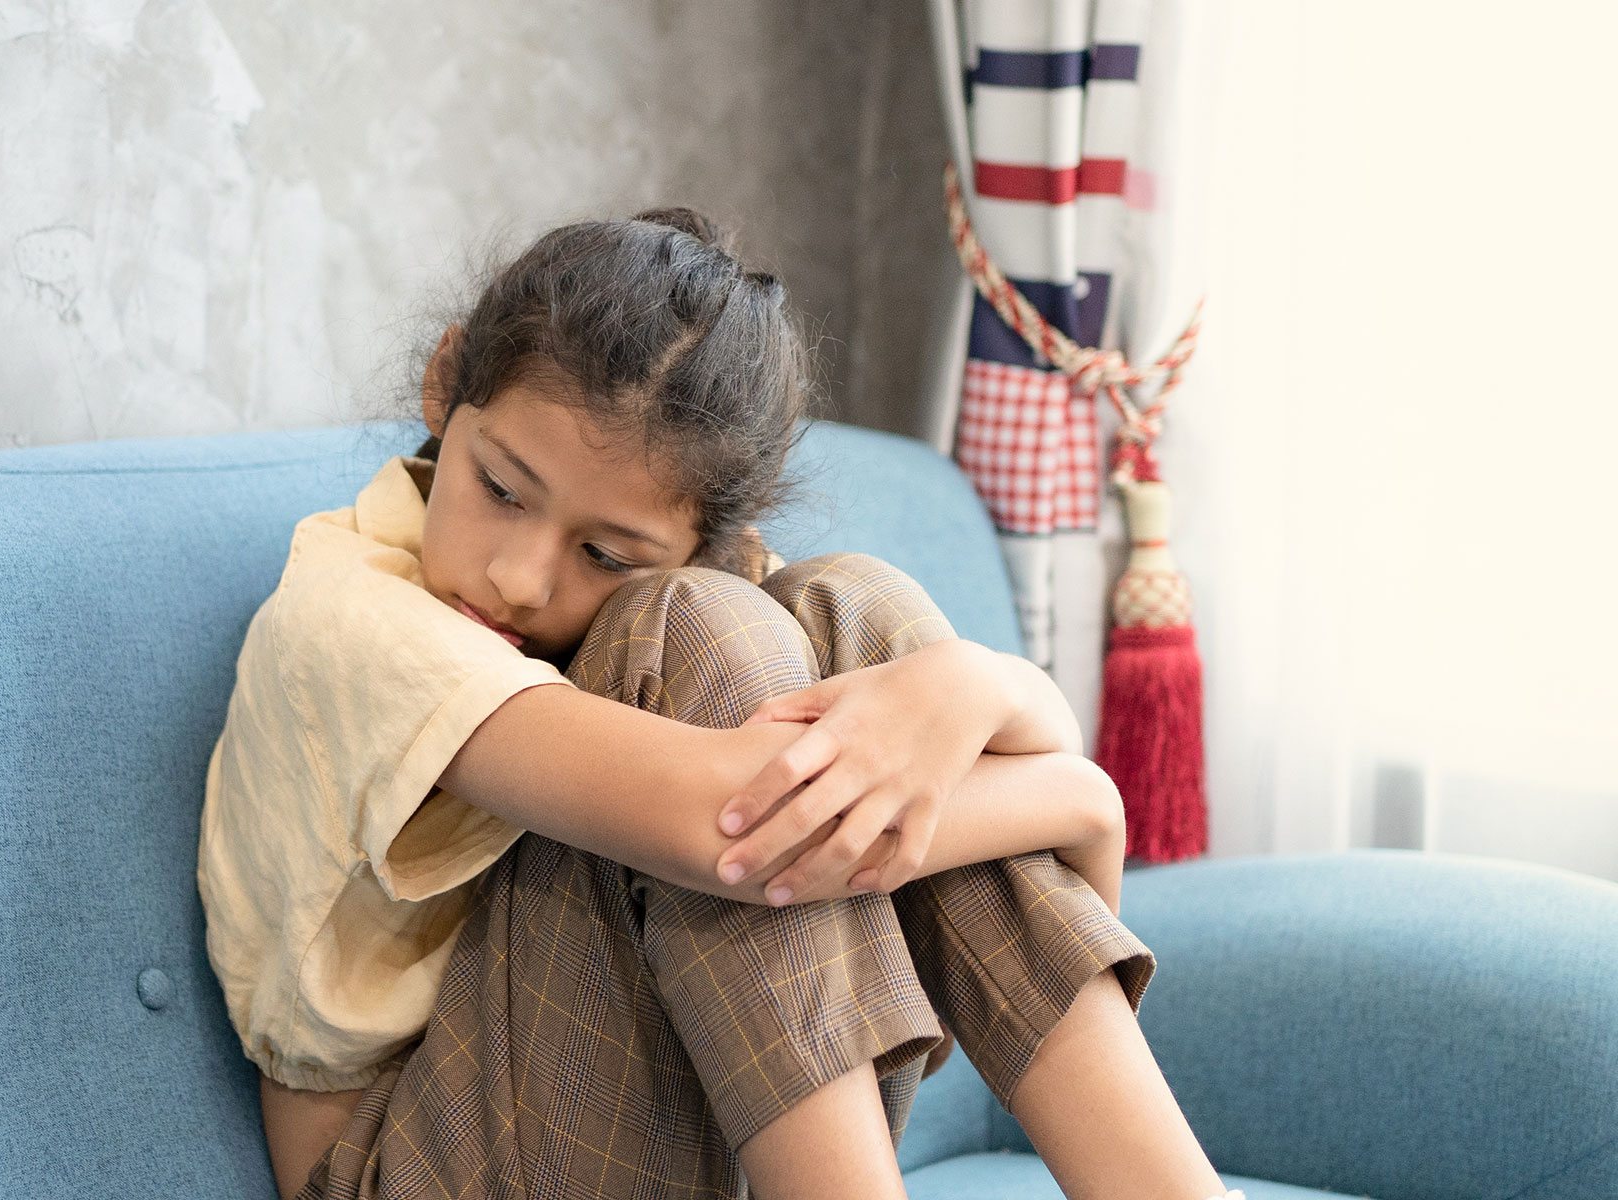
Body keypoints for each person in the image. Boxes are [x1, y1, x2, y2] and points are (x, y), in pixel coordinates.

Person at [199, 209, 1242, 1200]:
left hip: (674, 1102)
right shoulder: (349, 616)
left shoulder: (704, 605)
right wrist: (1079, 798)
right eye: (502, 488)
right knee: (715, 637)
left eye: (605, 554)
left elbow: (842, 808)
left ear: (706, 535)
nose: (520, 578)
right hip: (408, 1167)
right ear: (444, 386)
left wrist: (974, 687)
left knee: (855, 611)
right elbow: (737, 832)